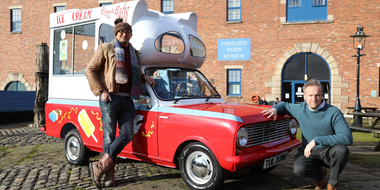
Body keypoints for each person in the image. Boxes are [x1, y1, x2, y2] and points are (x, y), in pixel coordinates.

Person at [85, 18, 155, 188]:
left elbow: (133, 74)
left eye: (127, 32)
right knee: (109, 136)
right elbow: (90, 70)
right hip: (110, 98)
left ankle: (99, 166)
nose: (124, 34)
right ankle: (109, 175)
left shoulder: (134, 52)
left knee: (128, 134)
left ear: (131, 35)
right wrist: (101, 91)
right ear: (116, 34)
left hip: (128, 99)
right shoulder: (106, 48)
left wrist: (143, 76)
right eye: (121, 32)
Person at [261, 79, 352, 190]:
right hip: (309, 152)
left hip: (329, 151)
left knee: (341, 150)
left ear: (322, 95)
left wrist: (317, 140)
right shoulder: (300, 109)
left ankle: (332, 183)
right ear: (304, 96)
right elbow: (284, 105)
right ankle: (320, 175)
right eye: (310, 95)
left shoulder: (333, 112)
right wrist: (274, 109)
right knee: (299, 169)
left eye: (317, 95)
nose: (314, 99)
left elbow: (347, 137)